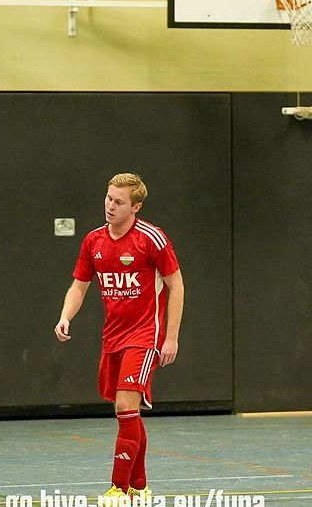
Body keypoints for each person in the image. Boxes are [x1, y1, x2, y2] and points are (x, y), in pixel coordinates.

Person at [54, 173, 184, 497]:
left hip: (145, 335)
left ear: (135, 207)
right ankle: (140, 487)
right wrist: (65, 316)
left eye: (119, 202)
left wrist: (171, 337)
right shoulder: (93, 241)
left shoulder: (151, 239)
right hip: (113, 337)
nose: (110, 206)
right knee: (128, 413)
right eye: (109, 198)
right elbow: (79, 286)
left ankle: (118, 489)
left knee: (126, 404)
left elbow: (176, 285)